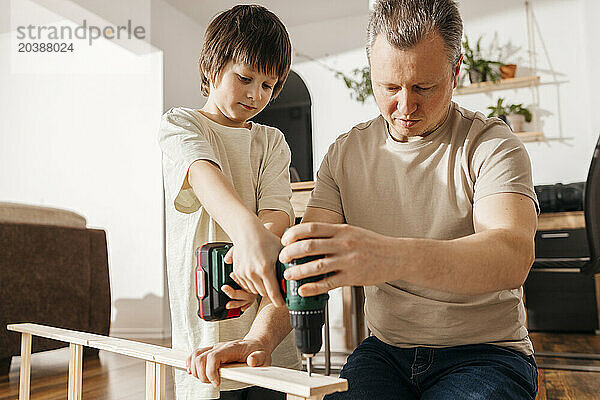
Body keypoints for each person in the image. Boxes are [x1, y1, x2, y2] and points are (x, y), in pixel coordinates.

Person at [277, 0, 540, 398]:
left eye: (423, 87)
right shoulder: (345, 154)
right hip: (385, 352)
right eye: (389, 87)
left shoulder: (492, 145)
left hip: (486, 354)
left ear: (455, 72)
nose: (404, 106)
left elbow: (511, 256)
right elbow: (309, 262)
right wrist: (260, 339)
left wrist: (391, 257)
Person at [158, 5, 300, 399]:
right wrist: (250, 242)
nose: (257, 94)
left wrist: (255, 268)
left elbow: (277, 213)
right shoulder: (181, 124)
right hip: (206, 329)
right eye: (245, 78)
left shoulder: (271, 141)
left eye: (269, 86)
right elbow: (205, 177)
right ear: (211, 65)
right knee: (211, 386)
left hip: (262, 321)